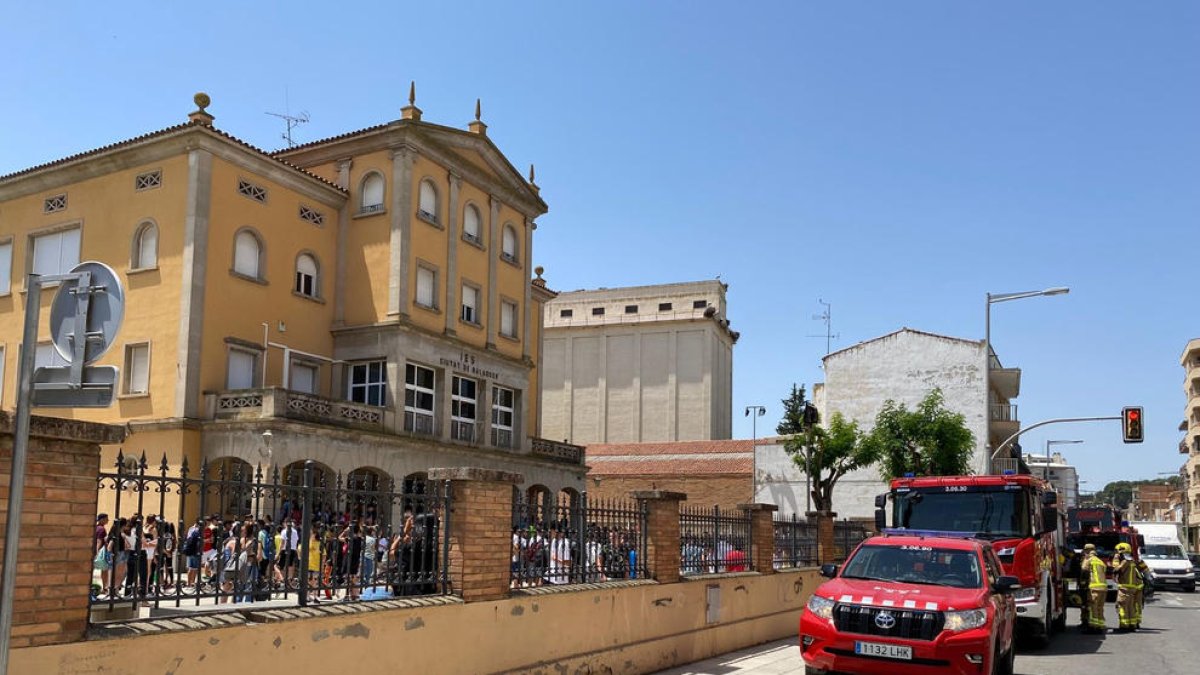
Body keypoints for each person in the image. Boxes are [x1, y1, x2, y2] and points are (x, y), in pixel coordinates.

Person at [1112, 542, 1139, 632]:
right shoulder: (1132, 561)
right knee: (1130, 607)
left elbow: (1116, 569)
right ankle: (1132, 624)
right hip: (1132, 588)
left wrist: (1115, 560)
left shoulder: (1125, 562)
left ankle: (1124, 625)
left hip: (1124, 588)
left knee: (1122, 606)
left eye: (1118, 552)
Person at [1083, 543, 1108, 634]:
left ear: (1087, 551)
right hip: (1103, 588)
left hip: (1094, 588)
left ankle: (1093, 627)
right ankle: (1100, 626)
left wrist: (1085, 559)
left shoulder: (1089, 560)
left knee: (1092, 607)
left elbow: (1084, 569)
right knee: (1100, 607)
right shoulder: (1100, 561)